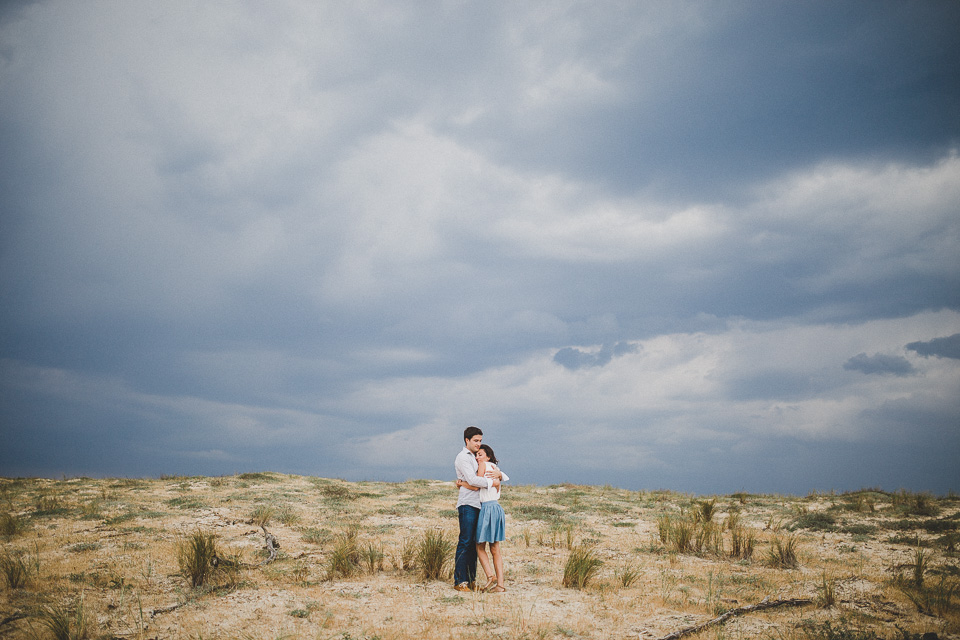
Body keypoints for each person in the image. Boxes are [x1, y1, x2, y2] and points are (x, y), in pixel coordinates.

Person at [453, 426, 500, 591]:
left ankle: (471, 579)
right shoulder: (463, 457)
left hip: (479, 505)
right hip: (467, 504)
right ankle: (460, 581)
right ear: (467, 440)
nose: (479, 444)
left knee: (475, 543)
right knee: (465, 542)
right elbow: (473, 481)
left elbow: (490, 474)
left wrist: (498, 476)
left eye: (480, 440)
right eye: (476, 441)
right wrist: (492, 482)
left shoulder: (477, 457)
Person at [473, 444, 508, 592]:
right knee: (495, 548)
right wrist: (499, 475)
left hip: (487, 508)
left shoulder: (483, 465)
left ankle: (490, 576)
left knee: (480, 546)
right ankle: (500, 584)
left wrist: (461, 483)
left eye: (480, 454)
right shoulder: (495, 468)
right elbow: (501, 479)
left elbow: (476, 484)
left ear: (487, 456)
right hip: (497, 508)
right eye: (477, 455)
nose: (477, 457)